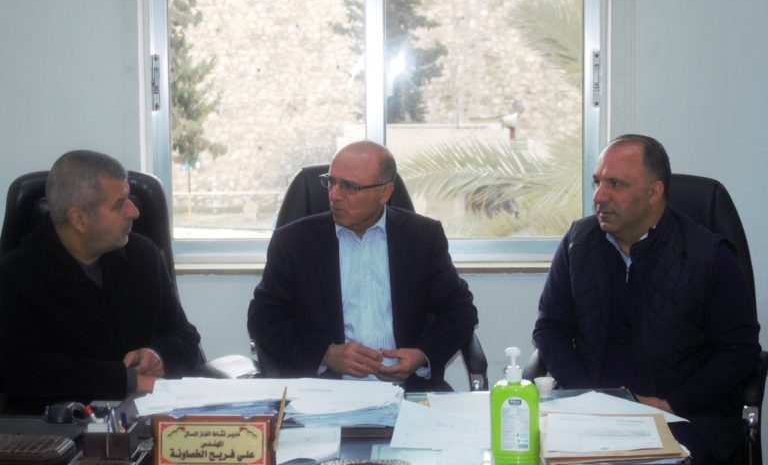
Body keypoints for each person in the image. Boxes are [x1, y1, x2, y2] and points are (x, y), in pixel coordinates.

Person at [532, 134, 761, 464]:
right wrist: (589, 397)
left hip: (684, 415)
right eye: (598, 182)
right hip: (592, 411)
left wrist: (671, 404)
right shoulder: (577, 243)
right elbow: (550, 329)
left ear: (654, 193)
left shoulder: (709, 256)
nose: (599, 196)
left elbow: (739, 352)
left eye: (615, 184)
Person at [248, 140, 478, 391]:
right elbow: (263, 318)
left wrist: (422, 356)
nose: (335, 195)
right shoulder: (294, 241)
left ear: (384, 193)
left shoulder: (422, 237)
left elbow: (460, 311)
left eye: (350, 187)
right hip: (323, 391)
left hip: (407, 390)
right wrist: (325, 354)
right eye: (331, 182)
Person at [0, 150, 202, 413]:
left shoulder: (143, 255)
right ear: (79, 219)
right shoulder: (15, 274)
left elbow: (186, 337)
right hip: (54, 426)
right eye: (119, 204)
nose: (134, 211)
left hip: (144, 418)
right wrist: (126, 381)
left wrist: (158, 355)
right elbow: (22, 369)